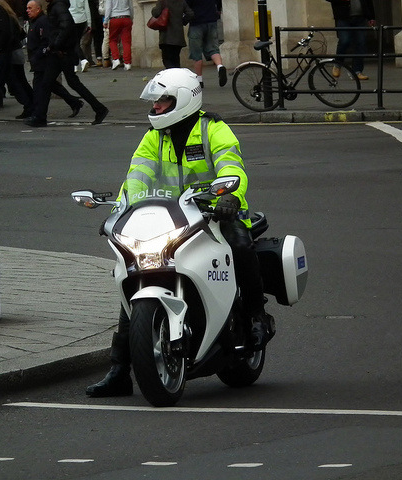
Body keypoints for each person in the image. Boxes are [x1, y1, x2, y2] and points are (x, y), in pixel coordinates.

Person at [86, 68, 275, 398]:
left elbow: (232, 166)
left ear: (184, 100)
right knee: (135, 272)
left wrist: (230, 197)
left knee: (240, 247)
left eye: (163, 101)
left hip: (217, 211)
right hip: (171, 216)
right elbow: (136, 177)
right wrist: (121, 210)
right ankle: (119, 370)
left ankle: (255, 316)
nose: (156, 107)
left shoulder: (213, 128)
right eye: (155, 101)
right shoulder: (153, 137)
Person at [30, 0, 108, 127]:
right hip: (60, 53)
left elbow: (66, 26)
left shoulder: (58, 6)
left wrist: (55, 44)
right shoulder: (56, 6)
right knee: (51, 83)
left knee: (61, 83)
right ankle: (40, 117)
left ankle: (99, 108)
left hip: (62, 53)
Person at [26, 0, 83, 124]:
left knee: (42, 87)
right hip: (40, 59)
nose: (27, 11)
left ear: (38, 9)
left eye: (30, 8)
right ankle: (73, 102)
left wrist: (45, 51)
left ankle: (38, 115)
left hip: (43, 59)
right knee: (49, 85)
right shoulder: (37, 20)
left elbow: (49, 38)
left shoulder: (44, 20)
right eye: (27, 8)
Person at [326, 0, 376, 81]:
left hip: (360, 17)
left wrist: (371, 17)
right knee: (345, 41)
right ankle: (337, 65)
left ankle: (357, 71)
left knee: (361, 43)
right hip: (343, 16)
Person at [187, 0, 226, 88]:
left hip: (196, 22)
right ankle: (220, 66)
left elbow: (186, 5)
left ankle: (199, 80)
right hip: (211, 20)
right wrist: (218, 10)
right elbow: (218, 2)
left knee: (196, 53)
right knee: (213, 49)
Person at [150, 0, 194, 69]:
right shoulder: (181, 1)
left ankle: (171, 74)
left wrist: (154, 8)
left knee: (167, 61)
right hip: (178, 37)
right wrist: (182, 22)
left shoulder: (162, 1)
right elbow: (190, 14)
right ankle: (176, 74)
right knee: (176, 59)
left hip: (166, 37)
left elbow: (155, 13)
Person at [103, 0, 132, 70]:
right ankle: (127, 62)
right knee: (126, 42)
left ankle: (116, 59)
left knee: (112, 40)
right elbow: (131, 7)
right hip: (126, 17)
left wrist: (105, 21)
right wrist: (131, 18)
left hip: (114, 18)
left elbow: (108, 8)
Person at [69, 0, 91, 72]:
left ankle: (82, 59)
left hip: (71, 19)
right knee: (77, 42)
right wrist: (89, 23)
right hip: (82, 20)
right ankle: (75, 64)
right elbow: (87, 9)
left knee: (74, 43)